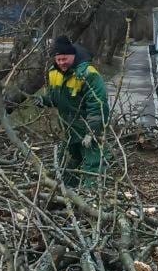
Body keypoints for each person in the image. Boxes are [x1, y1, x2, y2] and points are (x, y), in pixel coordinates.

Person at [37, 36, 109, 188]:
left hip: (86, 125)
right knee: (71, 160)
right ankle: (68, 192)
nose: (62, 62)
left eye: (65, 58)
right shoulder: (53, 72)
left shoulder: (87, 74)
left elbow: (98, 104)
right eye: (58, 59)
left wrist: (92, 131)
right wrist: (45, 101)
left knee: (92, 162)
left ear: (73, 55)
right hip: (68, 126)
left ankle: (93, 197)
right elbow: (57, 98)